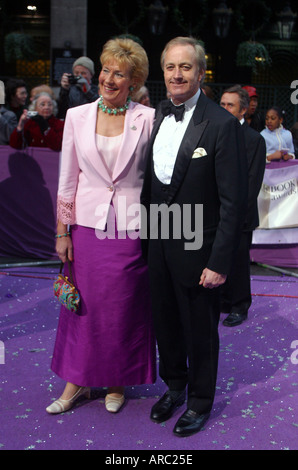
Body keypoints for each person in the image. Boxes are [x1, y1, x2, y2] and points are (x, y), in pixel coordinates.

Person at [141, 37, 247, 437]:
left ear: (201, 73)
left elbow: (232, 203)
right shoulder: (155, 118)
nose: (176, 74)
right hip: (159, 240)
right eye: (170, 67)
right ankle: (174, 386)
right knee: (165, 324)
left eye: (185, 67)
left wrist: (219, 262)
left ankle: (200, 401)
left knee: (199, 331)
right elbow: (153, 187)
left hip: (199, 249)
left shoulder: (221, 124)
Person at [46, 37, 156, 415]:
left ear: (133, 80)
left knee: (122, 307)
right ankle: (75, 383)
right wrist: (62, 231)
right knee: (83, 308)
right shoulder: (77, 116)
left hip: (129, 229)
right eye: (106, 70)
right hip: (85, 228)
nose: (109, 79)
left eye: (119, 73)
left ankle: (116, 382)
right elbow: (67, 179)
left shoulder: (148, 118)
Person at [220, 85, 266, 326]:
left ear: (243, 110)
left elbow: (252, 182)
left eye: (230, 105)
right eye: (222, 104)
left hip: (240, 215)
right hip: (215, 212)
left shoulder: (254, 139)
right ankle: (224, 301)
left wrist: (234, 213)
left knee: (238, 260)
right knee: (218, 258)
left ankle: (239, 305)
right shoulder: (214, 132)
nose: (225, 109)